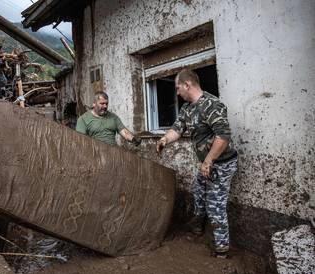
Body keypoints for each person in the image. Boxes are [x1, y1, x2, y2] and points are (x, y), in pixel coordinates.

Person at [156, 69, 238, 258]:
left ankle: (222, 250)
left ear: (187, 85)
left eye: (178, 88)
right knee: (199, 195)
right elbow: (178, 129)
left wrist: (208, 161)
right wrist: (164, 140)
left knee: (215, 205)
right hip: (206, 165)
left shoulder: (211, 104)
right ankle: (198, 228)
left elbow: (223, 137)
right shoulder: (187, 108)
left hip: (222, 163)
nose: (177, 93)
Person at [76, 92, 141, 147]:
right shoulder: (83, 119)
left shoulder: (113, 117)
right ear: (94, 104)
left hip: (113, 154)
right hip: (95, 154)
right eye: (102, 103)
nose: (105, 106)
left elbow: (124, 132)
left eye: (106, 103)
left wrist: (133, 139)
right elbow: (81, 141)